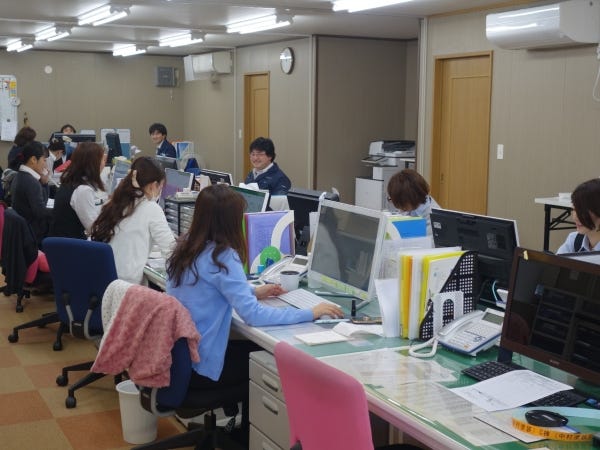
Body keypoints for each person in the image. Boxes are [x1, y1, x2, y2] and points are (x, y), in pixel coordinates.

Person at [166, 184, 342, 398]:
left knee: (251, 350)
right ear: (230, 222)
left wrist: (252, 291)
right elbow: (253, 316)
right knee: (274, 363)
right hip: (202, 367)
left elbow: (208, 287)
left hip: (180, 361)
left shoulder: (186, 247)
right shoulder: (222, 257)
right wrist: (310, 313)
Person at [91, 156, 175, 284]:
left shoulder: (114, 203)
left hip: (103, 281)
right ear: (153, 185)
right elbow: (172, 252)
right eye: (161, 187)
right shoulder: (151, 208)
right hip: (126, 286)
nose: (160, 192)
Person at [50, 142, 107, 239]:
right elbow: (94, 230)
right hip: (73, 244)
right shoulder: (83, 190)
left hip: (66, 241)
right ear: (94, 163)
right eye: (103, 159)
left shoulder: (71, 181)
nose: (104, 164)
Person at [11, 141, 53, 246]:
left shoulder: (20, 176)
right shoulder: (31, 182)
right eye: (44, 160)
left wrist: (44, 183)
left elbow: (42, 203)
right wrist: (59, 211)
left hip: (24, 232)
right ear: (33, 160)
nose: (45, 165)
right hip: (33, 236)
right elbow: (41, 212)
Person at [386, 168, 440, 235]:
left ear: (413, 198)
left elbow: (425, 239)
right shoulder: (411, 206)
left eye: (402, 204)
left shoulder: (434, 217)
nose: (400, 209)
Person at [556, 178, 600, 253]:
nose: (575, 217)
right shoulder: (574, 239)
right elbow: (557, 260)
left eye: (582, 212)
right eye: (574, 209)